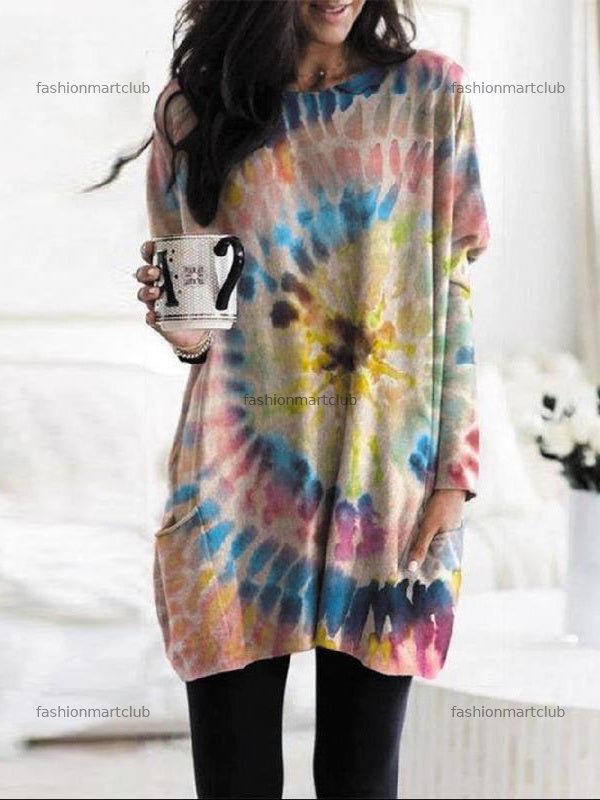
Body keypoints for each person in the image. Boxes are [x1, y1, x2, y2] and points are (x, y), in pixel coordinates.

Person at [106, 0, 490, 797]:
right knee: (235, 779)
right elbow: (197, 330)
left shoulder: (431, 95)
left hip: (386, 476)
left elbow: (453, 292)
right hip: (235, 484)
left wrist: (455, 472)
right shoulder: (196, 109)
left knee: (361, 779)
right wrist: (179, 327)